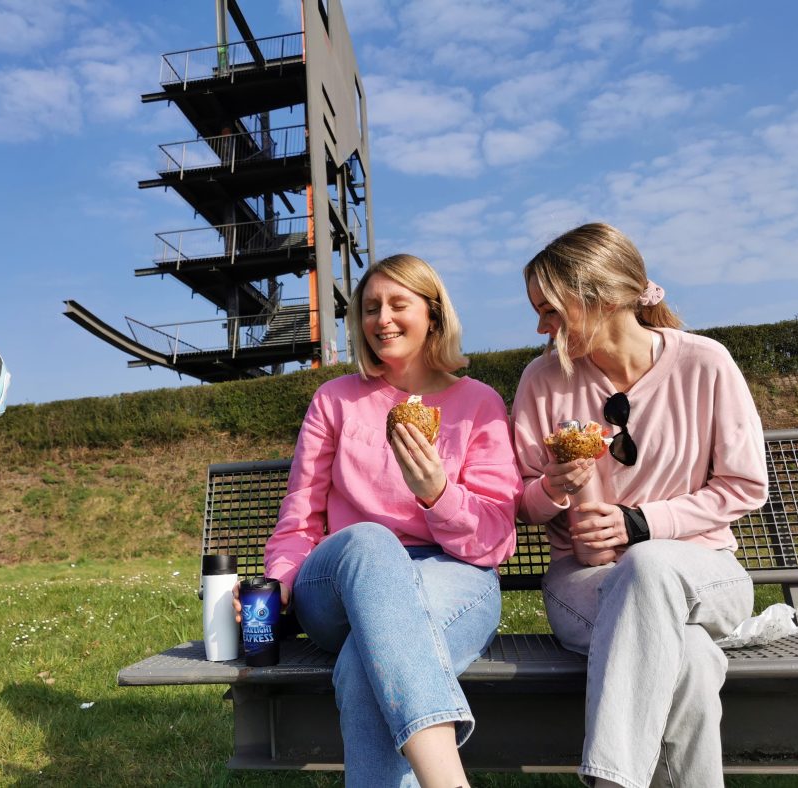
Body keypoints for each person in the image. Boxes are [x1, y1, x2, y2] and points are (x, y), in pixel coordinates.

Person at [239, 253, 521, 787]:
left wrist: (438, 494)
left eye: (398, 304)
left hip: (453, 574)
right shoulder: (336, 400)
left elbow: (494, 538)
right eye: (370, 308)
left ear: (433, 314)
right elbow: (299, 518)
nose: (382, 319)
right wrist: (275, 585)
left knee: (367, 662)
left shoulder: (479, 404)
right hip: (343, 580)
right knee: (369, 540)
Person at [511, 223, 768, 788]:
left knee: (648, 562)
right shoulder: (541, 379)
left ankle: (612, 780)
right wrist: (554, 486)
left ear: (601, 297)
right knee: (692, 659)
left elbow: (745, 485)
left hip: (706, 573)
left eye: (550, 310)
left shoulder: (706, 363)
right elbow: (522, 506)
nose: (540, 327)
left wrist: (642, 524)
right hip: (585, 583)